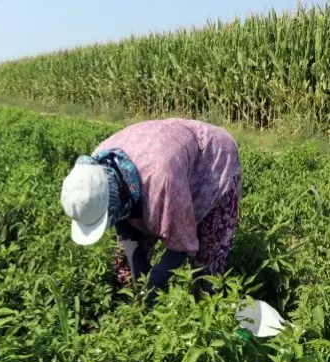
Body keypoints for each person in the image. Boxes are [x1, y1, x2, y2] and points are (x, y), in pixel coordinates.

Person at [60, 118, 242, 306]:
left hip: (213, 159)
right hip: (164, 157)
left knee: (208, 253)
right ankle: (134, 305)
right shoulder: (96, 167)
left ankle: (206, 306)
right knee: (129, 265)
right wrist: (136, 259)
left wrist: (159, 275)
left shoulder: (161, 180)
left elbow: (182, 242)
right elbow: (124, 224)